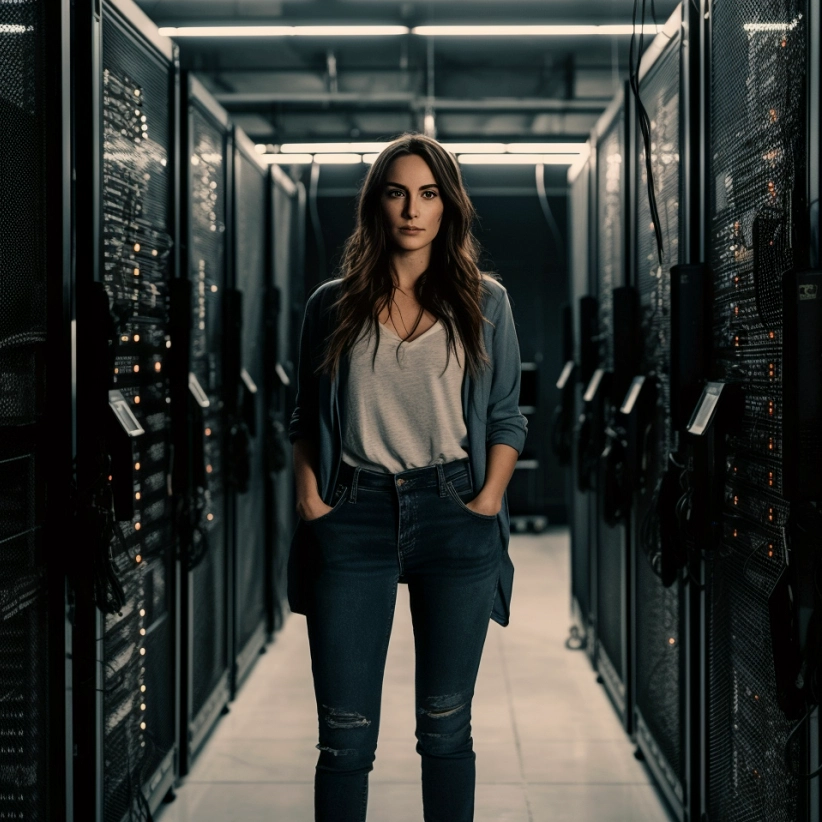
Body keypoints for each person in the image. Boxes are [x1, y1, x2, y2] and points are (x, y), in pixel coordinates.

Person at [287, 133, 528, 822]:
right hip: (353, 514)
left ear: (448, 207)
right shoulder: (330, 306)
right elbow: (304, 415)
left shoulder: (487, 304)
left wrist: (485, 502)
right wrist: (311, 499)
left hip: (455, 512)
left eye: (428, 194)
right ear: (376, 205)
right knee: (343, 740)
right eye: (397, 192)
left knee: (446, 730)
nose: (412, 209)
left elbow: (508, 419)